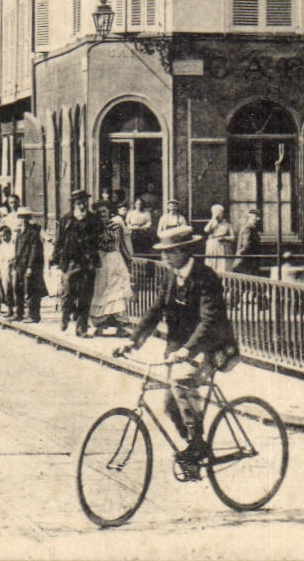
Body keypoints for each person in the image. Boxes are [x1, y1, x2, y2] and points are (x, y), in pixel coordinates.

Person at [115, 224, 240, 477]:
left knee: (182, 382)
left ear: (185, 251)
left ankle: (195, 447)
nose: (165, 257)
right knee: (170, 405)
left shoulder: (206, 277)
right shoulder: (171, 276)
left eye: (170, 252)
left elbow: (209, 321)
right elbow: (155, 311)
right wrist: (133, 341)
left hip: (214, 347)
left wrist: (187, 350)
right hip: (183, 350)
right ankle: (196, 449)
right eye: (164, 252)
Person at [53, 190, 101, 336]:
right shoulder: (66, 219)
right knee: (67, 293)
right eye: (79, 203)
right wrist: (55, 259)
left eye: (85, 202)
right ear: (74, 204)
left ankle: (82, 328)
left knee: (85, 296)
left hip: (88, 262)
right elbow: (59, 240)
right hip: (70, 261)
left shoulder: (93, 219)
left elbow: (98, 239)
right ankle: (65, 315)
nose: (82, 205)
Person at [89, 204, 135, 336]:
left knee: (117, 290)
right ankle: (100, 324)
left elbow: (122, 244)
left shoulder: (116, 225)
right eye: (99, 212)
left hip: (115, 260)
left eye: (104, 211)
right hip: (101, 261)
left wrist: (129, 258)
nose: (102, 214)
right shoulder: (93, 228)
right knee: (101, 291)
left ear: (109, 212)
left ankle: (120, 324)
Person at [10, 208, 47, 323]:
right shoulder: (19, 232)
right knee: (18, 289)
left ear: (29, 218)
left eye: (25, 217)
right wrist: (15, 264)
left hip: (30, 265)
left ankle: (33, 315)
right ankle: (19, 313)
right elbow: (17, 250)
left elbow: (35, 251)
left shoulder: (33, 232)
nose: (23, 220)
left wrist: (30, 267)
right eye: (21, 217)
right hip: (20, 265)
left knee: (31, 290)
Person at [231, 208, 264, 276]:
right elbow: (246, 245)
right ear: (250, 217)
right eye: (256, 217)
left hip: (249, 260)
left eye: (259, 217)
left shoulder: (252, 228)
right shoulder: (248, 228)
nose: (258, 219)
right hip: (247, 260)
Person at [204, 204, 235, 273]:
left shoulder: (227, 224)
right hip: (212, 247)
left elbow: (233, 237)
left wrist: (224, 238)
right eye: (216, 213)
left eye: (220, 213)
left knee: (222, 265)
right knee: (212, 264)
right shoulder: (212, 223)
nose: (218, 215)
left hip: (222, 246)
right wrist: (213, 219)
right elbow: (206, 230)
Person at [0, 224, 17, 315]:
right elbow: (0, 260)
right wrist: (2, 271)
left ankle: (19, 310)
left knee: (15, 288)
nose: (3, 238)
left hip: (14, 268)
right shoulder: (1, 246)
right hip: (5, 269)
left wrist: (12, 262)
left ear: (9, 234)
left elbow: (17, 256)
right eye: (1, 236)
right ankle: (10, 309)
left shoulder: (15, 244)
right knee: (7, 289)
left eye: (4, 235)